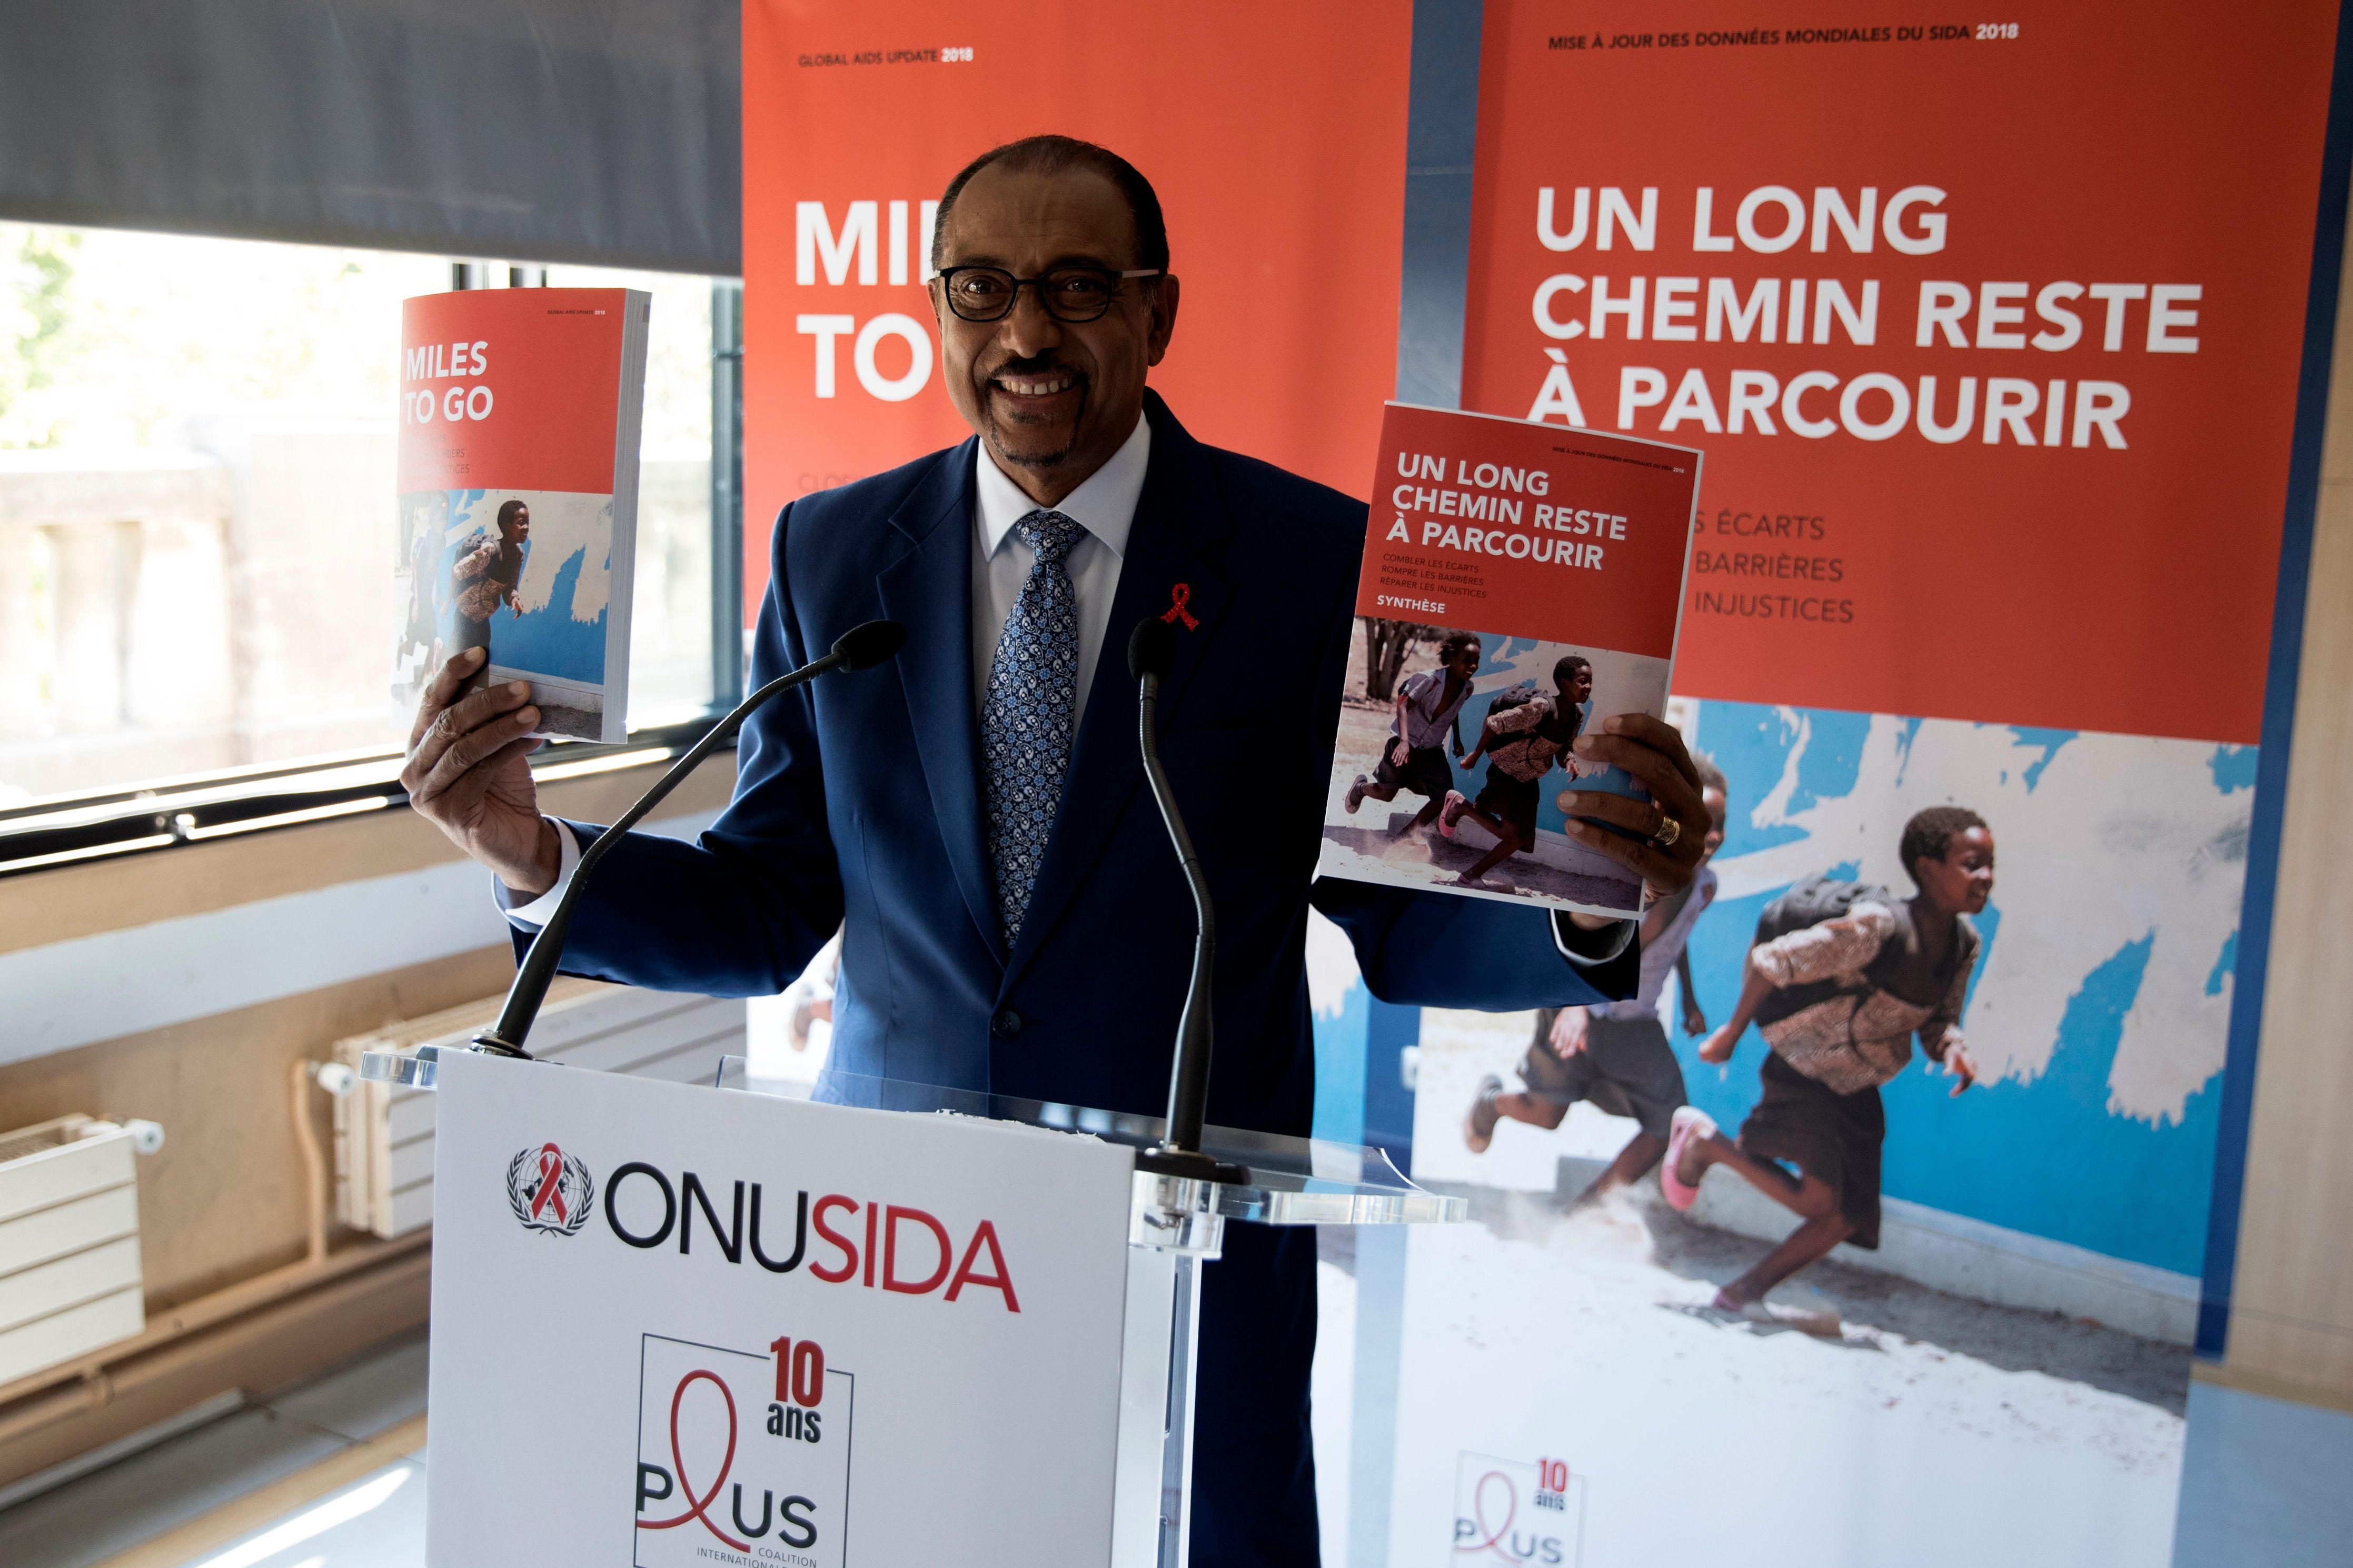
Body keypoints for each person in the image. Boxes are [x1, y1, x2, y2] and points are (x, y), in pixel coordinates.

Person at [399, 135, 1710, 1566]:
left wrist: (1592, 907)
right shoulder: (834, 550)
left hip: (1190, 1252)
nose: (1026, 331)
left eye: (1079, 287)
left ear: (1157, 316)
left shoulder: (1311, 561)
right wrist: (535, 853)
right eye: (984, 287)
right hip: (894, 1250)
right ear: (937, 309)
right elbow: (771, 901)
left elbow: (1400, 923)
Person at [1661, 805, 1993, 1326]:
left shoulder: (1963, 945)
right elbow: (1775, 960)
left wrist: (1950, 1046)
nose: (1985, 876)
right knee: (1818, 1201)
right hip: (1804, 1067)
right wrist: (1729, 1032)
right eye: (1971, 864)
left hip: (1858, 1081)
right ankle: (1707, 1144)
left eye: (1989, 864)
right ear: (1927, 869)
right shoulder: (1876, 929)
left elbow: (1938, 1019)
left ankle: (1740, 1293)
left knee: (1845, 1215)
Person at [1463, 754, 1728, 1207]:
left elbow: (1673, 940)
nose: (1715, 834)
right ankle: (1491, 1101)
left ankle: (1585, 1214)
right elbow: (1601, 942)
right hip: (1580, 1003)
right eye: (1702, 820)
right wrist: (1576, 1005)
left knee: (1668, 1123)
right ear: (1672, 819)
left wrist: (1688, 999)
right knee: (1547, 1113)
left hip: (1631, 1020)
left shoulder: (1704, 885)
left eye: (1721, 822)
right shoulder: (1636, 876)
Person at [1440, 654, 1593, 887]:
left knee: (1519, 838)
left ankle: (1470, 872)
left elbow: (1564, 749)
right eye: (1583, 681)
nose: (1588, 687)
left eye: (1590, 681)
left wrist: (1569, 761)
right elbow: (1496, 723)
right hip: (1506, 771)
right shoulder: (1541, 709)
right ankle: (1462, 811)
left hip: (1529, 777)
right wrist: (1474, 756)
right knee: (1510, 834)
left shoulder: (1577, 716)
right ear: (1564, 683)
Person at [1343, 631, 1478, 830]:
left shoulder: (1468, 689)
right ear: (1451, 659)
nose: (1473, 666)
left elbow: (1453, 711)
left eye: (1476, 661)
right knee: (1387, 794)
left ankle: (1405, 839)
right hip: (1405, 745)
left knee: (1444, 797)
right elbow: (1403, 704)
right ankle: (1360, 789)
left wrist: (1457, 739)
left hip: (1431, 751)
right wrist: (1404, 742)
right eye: (1467, 660)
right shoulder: (1429, 680)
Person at [450, 498, 530, 661]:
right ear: (506, 526)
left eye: (527, 523)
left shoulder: (518, 555)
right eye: (521, 523)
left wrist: (514, 599)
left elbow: (509, 590)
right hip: (465, 616)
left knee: (481, 661)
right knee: (461, 661)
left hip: (482, 618)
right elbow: (458, 570)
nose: (526, 527)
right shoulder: (490, 551)